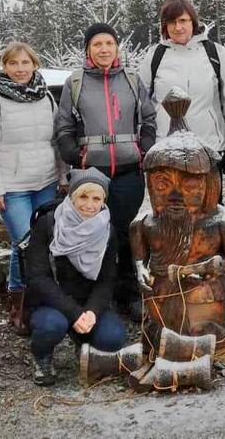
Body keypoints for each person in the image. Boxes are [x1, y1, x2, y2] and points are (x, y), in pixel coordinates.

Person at [54, 22, 157, 323]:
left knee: (122, 232)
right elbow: (63, 125)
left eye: (109, 44)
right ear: (87, 49)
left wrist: (145, 147)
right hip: (91, 172)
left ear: (117, 48)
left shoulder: (132, 79)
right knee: (94, 232)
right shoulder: (75, 82)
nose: (103, 49)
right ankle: (96, 295)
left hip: (128, 170)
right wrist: (74, 154)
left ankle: (128, 294)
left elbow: (148, 117)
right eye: (97, 44)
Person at [0, 41, 66, 335]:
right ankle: (18, 302)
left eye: (25, 63)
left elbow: (55, 142)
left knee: (45, 240)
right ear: (4, 66)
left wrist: (63, 176)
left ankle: (44, 298)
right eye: (13, 64)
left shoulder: (47, 98)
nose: (20, 69)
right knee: (24, 243)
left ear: (34, 65)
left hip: (45, 181)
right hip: (12, 185)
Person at [24, 168, 127, 386]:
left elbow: (107, 280)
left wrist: (91, 312)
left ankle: (83, 340)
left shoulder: (107, 230)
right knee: (51, 326)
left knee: (113, 338)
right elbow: (38, 278)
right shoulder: (48, 224)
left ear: (103, 200)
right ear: (71, 196)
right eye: (83, 196)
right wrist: (74, 313)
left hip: (88, 301)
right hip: (51, 303)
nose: (89, 205)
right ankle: (42, 356)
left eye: (96, 198)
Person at [138, 0, 225, 169]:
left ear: (193, 21)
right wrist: (145, 142)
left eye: (183, 20)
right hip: (166, 148)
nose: (178, 27)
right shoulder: (154, 56)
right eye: (172, 22)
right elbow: (141, 103)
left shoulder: (215, 53)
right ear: (165, 26)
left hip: (208, 147)